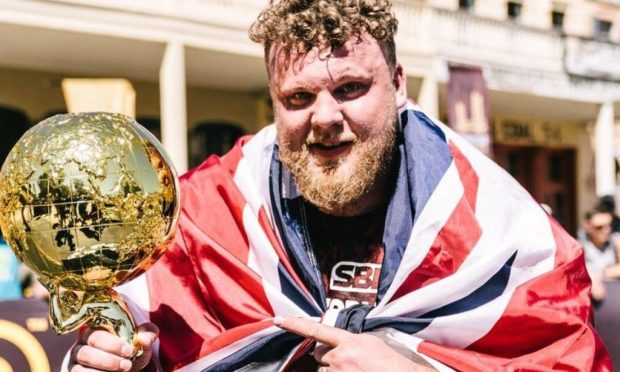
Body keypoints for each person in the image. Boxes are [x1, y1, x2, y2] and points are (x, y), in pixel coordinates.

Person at [67, 0, 610, 370]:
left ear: (397, 85)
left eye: (350, 88)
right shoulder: (207, 213)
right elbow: (142, 340)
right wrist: (126, 361)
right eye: (298, 98)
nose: (324, 116)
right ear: (275, 101)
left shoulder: (497, 227)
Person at [579, 205, 620, 303]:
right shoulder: (579, 247)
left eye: (609, 225)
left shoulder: (616, 242)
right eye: (599, 227)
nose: (606, 230)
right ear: (588, 226)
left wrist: (598, 276)